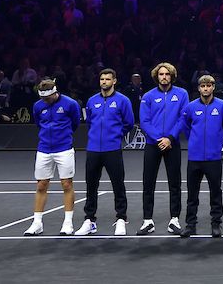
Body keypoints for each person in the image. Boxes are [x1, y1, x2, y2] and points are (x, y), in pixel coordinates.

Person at [78, 69, 135, 236]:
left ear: (114, 81)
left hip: (113, 149)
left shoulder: (123, 101)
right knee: (91, 186)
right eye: (102, 79)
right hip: (93, 149)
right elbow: (89, 122)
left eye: (107, 79)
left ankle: (121, 219)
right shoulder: (91, 101)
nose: (104, 82)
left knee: (118, 185)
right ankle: (89, 220)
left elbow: (129, 123)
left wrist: (115, 135)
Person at [25, 78, 82, 236]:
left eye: (48, 98)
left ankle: (68, 223)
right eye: (43, 98)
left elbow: (75, 123)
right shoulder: (38, 106)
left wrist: (63, 136)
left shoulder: (70, 104)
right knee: (41, 185)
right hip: (43, 149)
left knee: (66, 184)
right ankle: (37, 223)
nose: (45, 101)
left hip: (64, 148)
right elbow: (38, 123)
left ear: (55, 92)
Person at [180, 74, 223, 237]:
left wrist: (216, 141)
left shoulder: (222, 106)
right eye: (202, 86)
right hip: (194, 157)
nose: (205, 88)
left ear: (213, 87)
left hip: (213, 157)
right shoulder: (190, 107)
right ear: (199, 88)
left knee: (215, 192)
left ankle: (216, 224)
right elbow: (185, 126)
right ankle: (190, 225)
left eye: (208, 86)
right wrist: (195, 140)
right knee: (192, 194)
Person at [138, 62, 187, 235]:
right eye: (161, 74)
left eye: (167, 74)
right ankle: (147, 221)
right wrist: (159, 139)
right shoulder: (148, 96)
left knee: (175, 184)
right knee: (148, 183)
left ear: (172, 76)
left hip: (172, 144)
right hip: (153, 144)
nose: (164, 77)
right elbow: (144, 121)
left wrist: (170, 138)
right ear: (156, 76)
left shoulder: (182, 94)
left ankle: (174, 219)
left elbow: (183, 118)